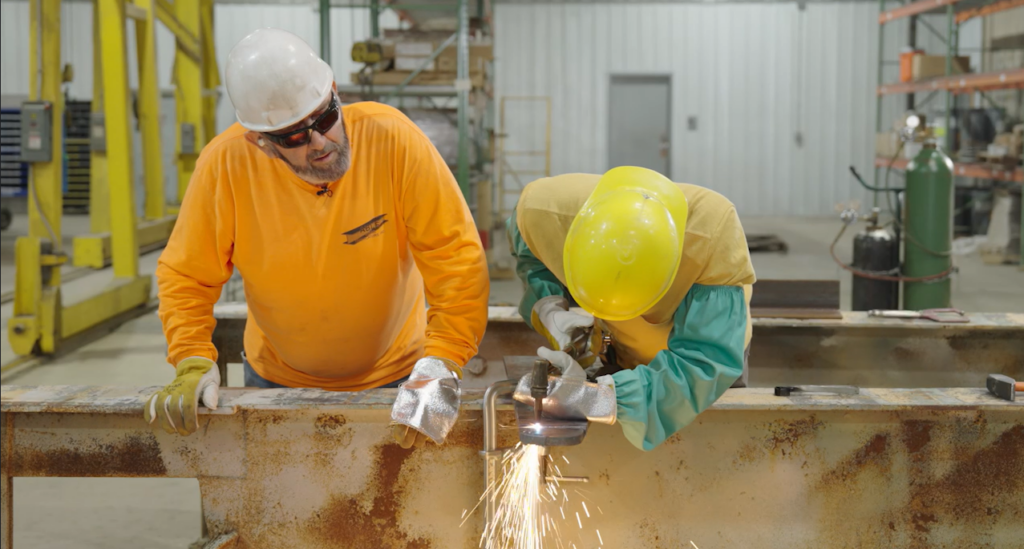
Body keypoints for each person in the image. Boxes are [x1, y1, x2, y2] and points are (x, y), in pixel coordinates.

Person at [145, 29, 488, 447]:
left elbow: (454, 256)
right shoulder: (227, 165)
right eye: (293, 136)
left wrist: (444, 358)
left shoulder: (393, 140)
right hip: (275, 382)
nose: (321, 142)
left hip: (399, 378)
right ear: (261, 142)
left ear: (334, 92)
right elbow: (187, 274)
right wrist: (193, 356)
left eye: (325, 118)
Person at [508, 167, 755, 451]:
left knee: (699, 452)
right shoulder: (544, 208)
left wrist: (598, 399)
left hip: (699, 359)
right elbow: (531, 250)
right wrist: (549, 306)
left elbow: (704, 364)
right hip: (622, 349)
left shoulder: (712, 234)